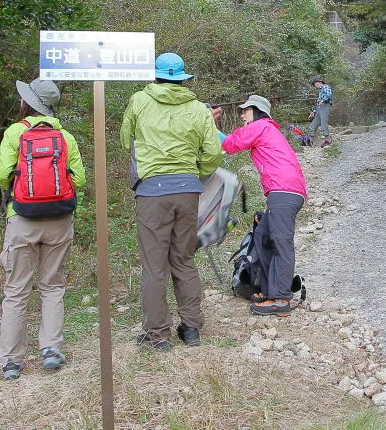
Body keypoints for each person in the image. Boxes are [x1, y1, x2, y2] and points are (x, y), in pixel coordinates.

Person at [120, 52, 224, 351]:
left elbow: (126, 140)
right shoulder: (196, 108)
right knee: (184, 258)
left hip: (152, 191)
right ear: (182, 77)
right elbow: (213, 154)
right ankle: (191, 329)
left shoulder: (139, 100)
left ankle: (158, 336)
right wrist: (195, 175)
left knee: (154, 266)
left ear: (156, 75)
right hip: (188, 191)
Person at [0, 78, 86, 381]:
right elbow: (81, 180)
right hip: (59, 220)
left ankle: (11, 362)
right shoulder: (65, 136)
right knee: (53, 286)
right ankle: (50, 350)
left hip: (22, 219)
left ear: (28, 103)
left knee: (16, 291)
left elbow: (1, 175)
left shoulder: (15, 132)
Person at [220, 95, 307, 316]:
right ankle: (270, 290)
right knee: (263, 236)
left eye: (245, 110)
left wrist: (207, 125)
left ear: (256, 112)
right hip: (283, 192)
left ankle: (280, 299)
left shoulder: (261, 126)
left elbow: (229, 144)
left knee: (280, 243)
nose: (242, 115)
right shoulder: (267, 130)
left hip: (284, 192)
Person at [307, 77, 333, 148]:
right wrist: (314, 112)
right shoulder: (320, 91)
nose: (315, 85)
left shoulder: (325, 87)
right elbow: (318, 104)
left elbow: (329, 95)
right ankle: (309, 140)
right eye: (314, 84)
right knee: (313, 125)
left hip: (325, 107)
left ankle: (327, 141)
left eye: (316, 83)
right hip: (319, 108)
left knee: (323, 125)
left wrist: (323, 100)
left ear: (320, 82)